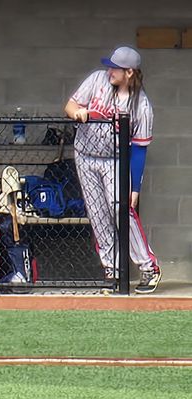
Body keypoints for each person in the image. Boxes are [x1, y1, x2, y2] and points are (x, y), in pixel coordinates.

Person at [65, 46, 159, 293]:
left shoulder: (141, 105)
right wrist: (78, 113)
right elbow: (70, 105)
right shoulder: (97, 79)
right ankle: (112, 269)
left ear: (129, 72)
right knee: (97, 213)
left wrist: (135, 188)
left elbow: (139, 150)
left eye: (115, 68)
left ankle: (148, 267)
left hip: (116, 160)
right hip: (85, 156)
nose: (109, 70)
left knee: (120, 208)